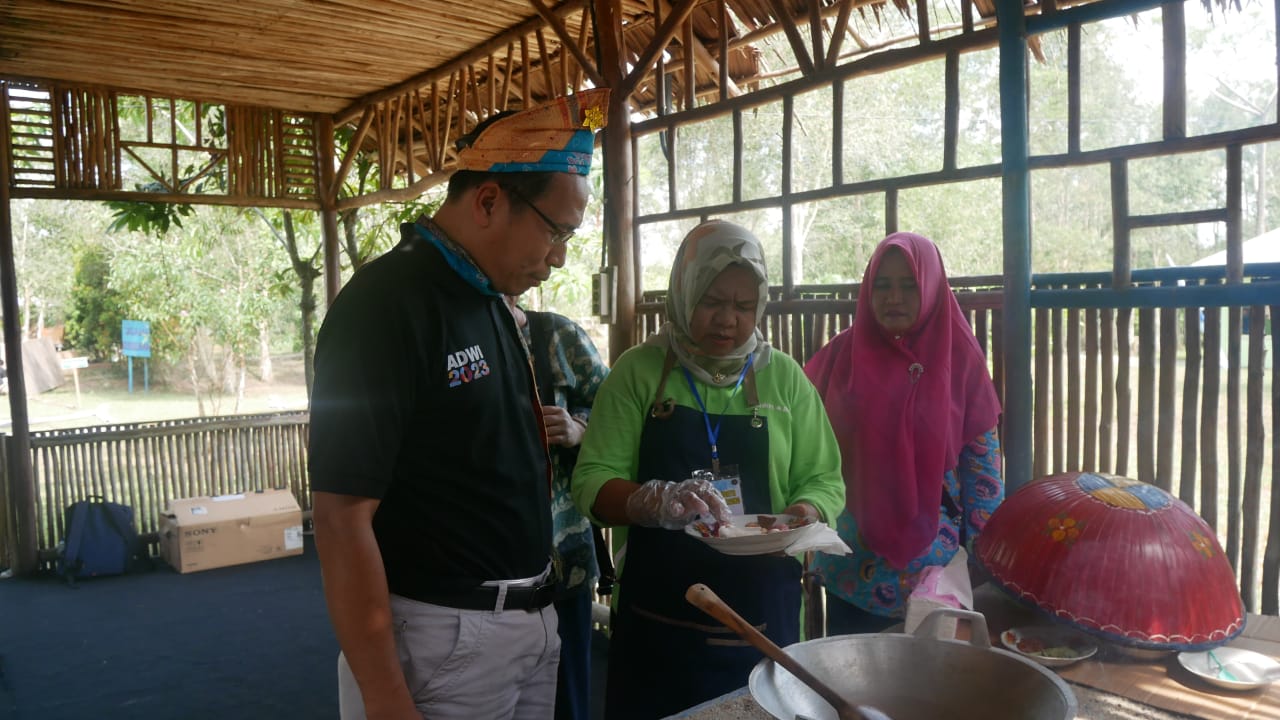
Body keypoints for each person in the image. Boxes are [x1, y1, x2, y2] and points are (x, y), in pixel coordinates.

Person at [307, 87, 609, 720]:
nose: (557, 259)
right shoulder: (386, 304)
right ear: (490, 200)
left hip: (529, 622)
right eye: (556, 232)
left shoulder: (491, 299)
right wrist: (387, 699)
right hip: (443, 636)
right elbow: (340, 517)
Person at [571, 219, 845, 719]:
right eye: (712, 301)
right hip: (659, 622)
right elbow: (590, 483)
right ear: (684, 291)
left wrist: (805, 510)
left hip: (763, 618)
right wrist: (649, 501)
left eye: (743, 306)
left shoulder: (783, 378)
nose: (728, 320)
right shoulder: (638, 372)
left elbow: (824, 478)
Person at [804, 231, 1004, 634]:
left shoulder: (959, 358)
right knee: (847, 682)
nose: (893, 297)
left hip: (931, 573)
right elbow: (806, 449)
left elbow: (982, 466)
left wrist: (987, 558)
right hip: (851, 564)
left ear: (930, 286)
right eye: (882, 285)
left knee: (928, 688)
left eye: (909, 285)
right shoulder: (841, 356)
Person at [506, 296, 610, 720]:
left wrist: (578, 427)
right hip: (480, 578)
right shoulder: (448, 338)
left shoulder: (557, 336)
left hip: (564, 563)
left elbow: (618, 411)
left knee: (569, 698)